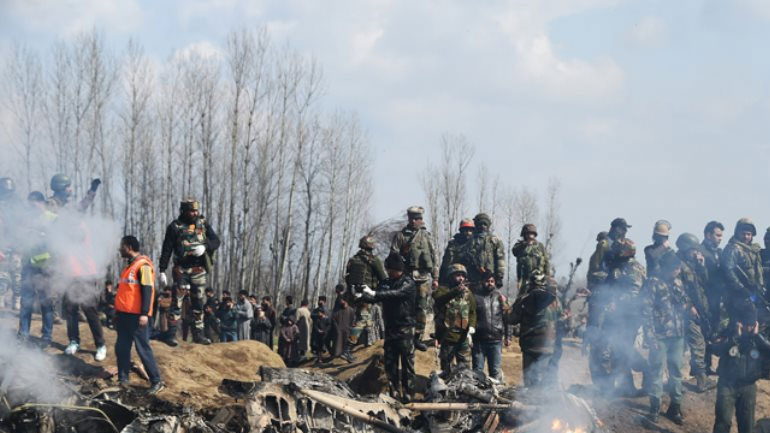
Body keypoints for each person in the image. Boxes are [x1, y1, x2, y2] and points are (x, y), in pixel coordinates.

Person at [158, 198, 221, 345]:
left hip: (199, 269)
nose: (195, 213)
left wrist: (206, 246)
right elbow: (167, 248)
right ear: (184, 211)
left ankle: (198, 334)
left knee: (198, 301)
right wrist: (162, 269)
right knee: (178, 299)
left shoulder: (202, 223)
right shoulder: (175, 226)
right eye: (191, 210)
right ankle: (172, 335)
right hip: (181, 268)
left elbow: (216, 241)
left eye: (196, 210)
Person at [592, 238, 646, 396]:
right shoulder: (618, 267)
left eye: (618, 249)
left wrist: (616, 301)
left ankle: (647, 371)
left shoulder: (633, 268)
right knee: (617, 350)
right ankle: (626, 386)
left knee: (623, 349)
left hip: (630, 316)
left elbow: (634, 294)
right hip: (617, 317)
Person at [360, 252, 417, 402]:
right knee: (390, 363)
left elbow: (395, 294)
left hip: (405, 329)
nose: (388, 272)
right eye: (387, 269)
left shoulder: (408, 283)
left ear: (397, 269)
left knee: (407, 363)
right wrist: (362, 295)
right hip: (390, 329)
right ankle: (393, 392)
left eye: (390, 269)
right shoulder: (386, 282)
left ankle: (408, 392)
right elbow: (376, 296)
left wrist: (375, 293)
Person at [115, 235, 164, 394]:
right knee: (121, 347)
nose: (119, 249)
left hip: (137, 317)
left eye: (121, 246)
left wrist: (144, 313)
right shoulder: (129, 266)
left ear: (128, 247)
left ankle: (156, 381)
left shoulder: (143, 266)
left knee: (143, 348)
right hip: (124, 315)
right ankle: (123, 379)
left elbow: (148, 290)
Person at [642, 251, 687, 425]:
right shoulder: (653, 283)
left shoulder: (678, 283)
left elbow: (684, 305)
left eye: (678, 268)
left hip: (677, 334)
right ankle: (654, 408)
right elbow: (646, 311)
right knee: (656, 371)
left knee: (676, 371)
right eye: (674, 268)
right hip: (659, 335)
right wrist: (650, 336)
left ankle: (675, 407)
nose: (677, 271)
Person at [711, 303, 770, 433]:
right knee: (723, 422)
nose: (748, 328)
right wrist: (734, 338)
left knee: (747, 425)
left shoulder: (759, 337)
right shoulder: (729, 333)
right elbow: (715, 349)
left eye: (751, 324)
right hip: (727, 385)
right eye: (746, 324)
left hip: (748, 387)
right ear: (740, 323)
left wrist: (756, 337)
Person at [390, 206, 438, 352]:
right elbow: (393, 256)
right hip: (406, 277)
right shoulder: (401, 235)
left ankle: (418, 338)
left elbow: (434, 256)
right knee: (404, 308)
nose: (415, 221)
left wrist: (435, 277)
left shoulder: (426, 236)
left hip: (423, 278)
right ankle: (405, 336)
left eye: (417, 219)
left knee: (421, 308)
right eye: (412, 218)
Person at [17, 191, 57, 347]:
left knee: (46, 304)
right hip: (28, 267)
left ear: (41, 202)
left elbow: (57, 246)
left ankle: (46, 337)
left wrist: (36, 259)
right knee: (25, 302)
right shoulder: (28, 219)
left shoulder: (53, 220)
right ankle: (23, 334)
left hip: (45, 269)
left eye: (33, 205)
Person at [676, 233, 716, 392]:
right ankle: (701, 381)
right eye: (693, 250)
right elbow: (676, 289)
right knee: (697, 343)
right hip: (684, 312)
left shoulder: (692, 264)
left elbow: (705, 284)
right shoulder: (676, 264)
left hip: (698, 310)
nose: (696, 253)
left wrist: (701, 266)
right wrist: (688, 306)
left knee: (699, 342)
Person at [508, 271, 562, 388]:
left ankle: (530, 403)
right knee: (544, 380)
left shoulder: (523, 300)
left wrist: (507, 308)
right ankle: (545, 403)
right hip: (548, 345)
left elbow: (511, 319)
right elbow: (561, 319)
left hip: (529, 346)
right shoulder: (555, 301)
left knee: (530, 380)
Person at [432, 264, 477, 377]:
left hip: (463, 338)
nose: (461, 278)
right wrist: (455, 292)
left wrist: (471, 326)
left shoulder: (468, 293)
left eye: (462, 275)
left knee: (465, 370)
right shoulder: (442, 290)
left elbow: (473, 312)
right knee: (446, 370)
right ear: (451, 276)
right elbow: (438, 300)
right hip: (448, 337)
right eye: (458, 275)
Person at [346, 235, 387, 351]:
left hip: (355, 294)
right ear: (371, 246)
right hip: (368, 294)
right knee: (362, 320)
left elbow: (347, 277)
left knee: (368, 318)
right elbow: (383, 277)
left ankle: (369, 342)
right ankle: (348, 347)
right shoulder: (374, 260)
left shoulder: (353, 259)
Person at [471, 269, 509, 381]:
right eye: (487, 281)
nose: (490, 283)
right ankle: (477, 397)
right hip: (479, 341)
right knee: (477, 371)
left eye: (492, 281)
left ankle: (496, 395)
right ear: (482, 281)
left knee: (495, 371)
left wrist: (508, 336)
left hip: (496, 341)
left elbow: (507, 318)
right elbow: (471, 317)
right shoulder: (475, 297)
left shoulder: (500, 298)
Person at [702, 220, 725, 374]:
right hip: (704, 298)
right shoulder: (699, 251)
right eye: (717, 235)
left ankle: (717, 367)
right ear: (708, 235)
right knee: (705, 333)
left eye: (721, 236)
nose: (719, 238)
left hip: (718, 299)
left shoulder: (720, 252)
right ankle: (704, 367)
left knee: (717, 331)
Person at [464, 213, 506, 288]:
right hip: (473, 278)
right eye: (480, 224)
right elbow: (466, 257)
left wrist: (500, 276)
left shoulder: (495, 240)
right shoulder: (470, 240)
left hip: (490, 278)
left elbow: (500, 259)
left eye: (485, 224)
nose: (482, 226)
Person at [511, 224, 549, 295]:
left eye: (532, 234)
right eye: (528, 234)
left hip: (539, 279)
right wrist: (524, 244)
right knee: (522, 298)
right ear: (524, 235)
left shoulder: (540, 246)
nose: (530, 236)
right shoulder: (519, 246)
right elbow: (514, 251)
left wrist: (547, 276)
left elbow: (546, 262)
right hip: (524, 279)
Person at [439, 219, 475, 285]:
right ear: (461, 231)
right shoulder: (453, 244)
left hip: (472, 278)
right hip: (455, 277)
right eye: (466, 230)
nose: (468, 233)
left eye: (470, 230)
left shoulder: (475, 244)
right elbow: (446, 263)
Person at [332, 297, 355, 362]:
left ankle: (349, 357)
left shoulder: (351, 310)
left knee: (349, 344)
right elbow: (333, 319)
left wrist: (351, 326)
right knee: (339, 344)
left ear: (346, 301)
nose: (342, 302)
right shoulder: (338, 310)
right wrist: (337, 327)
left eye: (343, 301)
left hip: (348, 330)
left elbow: (353, 319)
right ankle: (341, 355)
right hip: (339, 330)